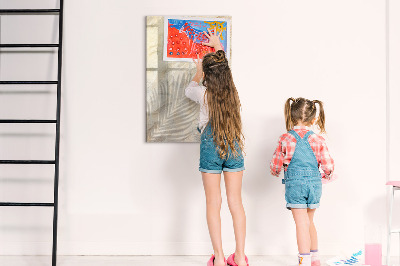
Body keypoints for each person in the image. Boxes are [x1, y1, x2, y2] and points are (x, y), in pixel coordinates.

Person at [185, 28, 249, 266]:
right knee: (236, 202)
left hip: (211, 148)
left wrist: (199, 69)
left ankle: (220, 259)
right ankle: (240, 258)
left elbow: (188, 89)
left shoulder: (203, 95)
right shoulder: (233, 93)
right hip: (233, 146)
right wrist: (218, 47)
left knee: (213, 203)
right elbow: (224, 70)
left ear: (207, 76)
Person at [270, 98, 335, 266]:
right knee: (309, 222)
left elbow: (275, 164)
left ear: (291, 117)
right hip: (314, 185)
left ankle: (304, 261)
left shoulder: (285, 138)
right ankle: (315, 260)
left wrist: (275, 171)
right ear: (313, 120)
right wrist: (327, 175)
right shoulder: (318, 139)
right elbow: (328, 165)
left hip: (295, 186)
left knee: (301, 224)